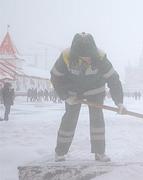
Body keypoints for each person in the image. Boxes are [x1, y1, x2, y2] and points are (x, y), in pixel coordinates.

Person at [50, 32, 126, 162]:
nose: (88, 60)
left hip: (95, 91)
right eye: (84, 57)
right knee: (69, 118)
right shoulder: (66, 57)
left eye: (89, 57)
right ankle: (60, 152)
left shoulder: (101, 58)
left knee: (97, 120)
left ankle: (99, 153)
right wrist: (65, 96)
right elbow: (55, 77)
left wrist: (119, 102)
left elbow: (114, 80)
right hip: (72, 92)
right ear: (76, 54)